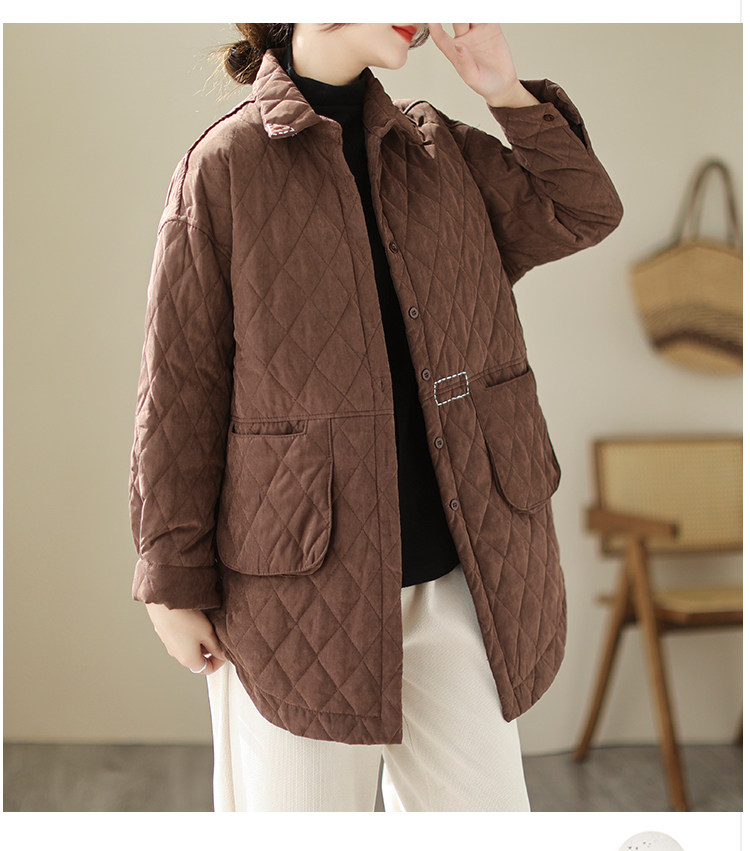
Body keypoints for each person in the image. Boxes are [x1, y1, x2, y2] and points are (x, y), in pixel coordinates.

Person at [129, 22, 623, 812]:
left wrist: (501, 88)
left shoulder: (436, 150)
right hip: (298, 594)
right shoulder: (224, 166)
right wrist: (169, 582)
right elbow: (179, 387)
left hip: (459, 580)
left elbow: (581, 208)